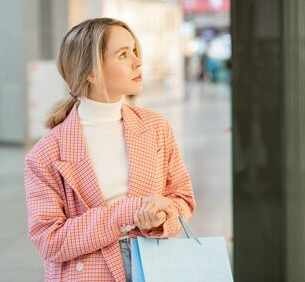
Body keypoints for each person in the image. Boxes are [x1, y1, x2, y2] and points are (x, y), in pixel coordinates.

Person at [24, 18, 195, 282]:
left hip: (154, 266)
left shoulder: (155, 127)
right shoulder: (47, 154)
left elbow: (183, 198)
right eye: (124, 55)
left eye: (135, 52)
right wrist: (129, 213)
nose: (138, 62)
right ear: (91, 72)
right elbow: (49, 240)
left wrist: (161, 215)